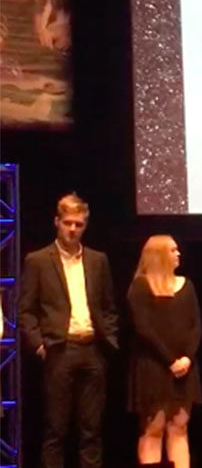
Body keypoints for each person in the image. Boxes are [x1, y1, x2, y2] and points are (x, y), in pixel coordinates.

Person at [18, 193, 119, 468]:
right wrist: (39, 344)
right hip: (59, 350)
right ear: (57, 222)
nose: (73, 229)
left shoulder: (98, 260)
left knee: (92, 430)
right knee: (56, 430)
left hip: (93, 350)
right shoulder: (38, 260)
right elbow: (26, 309)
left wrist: (108, 337)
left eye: (79, 224)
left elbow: (108, 306)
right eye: (68, 223)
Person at [128, 235, 202, 468]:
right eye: (172, 250)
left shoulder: (186, 285)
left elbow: (196, 326)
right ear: (158, 255)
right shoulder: (141, 286)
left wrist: (187, 358)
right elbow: (143, 328)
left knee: (179, 427)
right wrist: (170, 360)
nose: (178, 254)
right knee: (154, 428)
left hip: (184, 368)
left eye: (177, 250)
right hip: (154, 367)